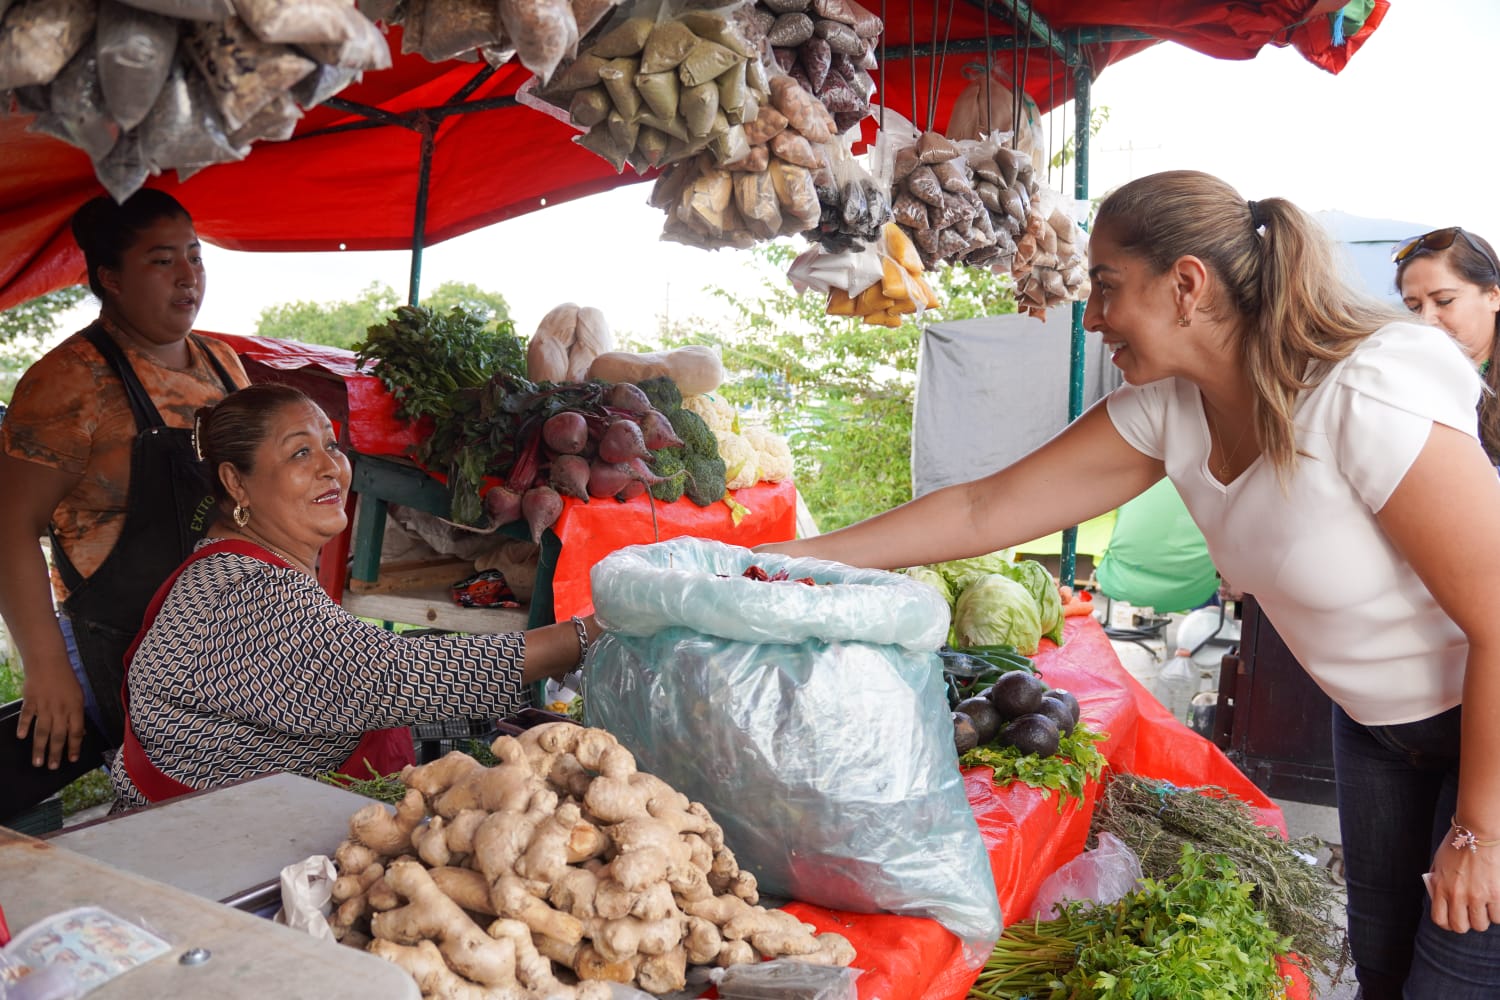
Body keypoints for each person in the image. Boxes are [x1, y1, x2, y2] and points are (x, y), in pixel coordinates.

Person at [761, 170, 1500, 997]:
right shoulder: (1172, 409)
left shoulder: (1362, 390)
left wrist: (1481, 832)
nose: (1096, 316)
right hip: (1376, 731)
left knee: (1456, 980)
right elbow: (981, 509)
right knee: (1386, 971)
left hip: (1488, 724)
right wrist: (793, 558)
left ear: (1187, 284)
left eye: (1108, 287)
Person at [109, 383, 600, 810]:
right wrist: (586, 635)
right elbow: (399, 673)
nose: (332, 468)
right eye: (300, 452)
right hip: (193, 860)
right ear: (237, 482)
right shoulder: (248, 594)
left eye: (331, 444)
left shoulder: (234, 564)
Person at [0, 190, 247, 770]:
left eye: (195, 255)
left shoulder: (223, 364)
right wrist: (46, 667)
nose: (188, 276)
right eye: (163, 261)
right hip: (127, 644)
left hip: (233, 629)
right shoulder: (67, 382)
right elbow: (9, 526)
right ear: (110, 276)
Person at [1393, 226, 1500, 462]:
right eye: (1413, 307)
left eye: (1443, 301)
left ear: (1493, 296)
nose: (1425, 319)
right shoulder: (1401, 381)